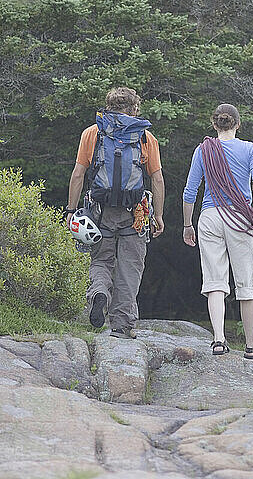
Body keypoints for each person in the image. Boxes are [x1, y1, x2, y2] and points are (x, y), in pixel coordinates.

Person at [182, 103, 253, 358]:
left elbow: (190, 191)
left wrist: (187, 224)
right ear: (238, 124)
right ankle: (251, 345)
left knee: (215, 282)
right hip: (239, 218)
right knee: (245, 282)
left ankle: (219, 340)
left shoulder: (203, 150)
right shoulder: (250, 149)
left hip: (209, 217)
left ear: (214, 124)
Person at [66, 87, 165, 339]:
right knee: (130, 267)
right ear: (134, 109)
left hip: (100, 213)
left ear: (108, 107)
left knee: (101, 260)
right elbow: (157, 179)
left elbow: (78, 174)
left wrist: (71, 209)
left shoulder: (93, 133)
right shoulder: (144, 137)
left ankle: (100, 292)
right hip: (135, 214)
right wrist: (158, 216)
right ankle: (121, 326)